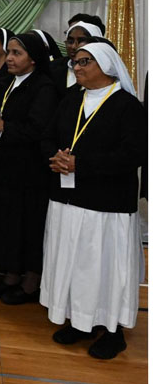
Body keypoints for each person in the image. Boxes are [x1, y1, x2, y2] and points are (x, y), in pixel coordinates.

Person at [40, 42, 145, 360]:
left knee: (104, 268)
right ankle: (81, 321)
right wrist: (55, 156)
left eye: (85, 61)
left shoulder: (127, 105)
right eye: (75, 62)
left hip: (106, 205)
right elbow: (48, 134)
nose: (78, 67)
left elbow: (132, 155)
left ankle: (113, 332)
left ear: (107, 64)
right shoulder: (72, 98)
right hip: (67, 198)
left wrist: (80, 165)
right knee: (73, 263)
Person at [0, 33, 58, 305]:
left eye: (16, 54)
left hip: (30, 171)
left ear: (33, 59)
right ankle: (10, 276)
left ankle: (30, 283)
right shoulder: (7, 81)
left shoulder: (44, 87)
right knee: (8, 225)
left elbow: (39, 129)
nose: (9, 58)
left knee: (29, 226)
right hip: (4, 166)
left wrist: (4, 126)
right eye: (9, 52)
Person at [50, 21, 104, 99]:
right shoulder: (53, 67)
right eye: (70, 41)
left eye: (81, 41)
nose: (74, 47)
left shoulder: (103, 73)